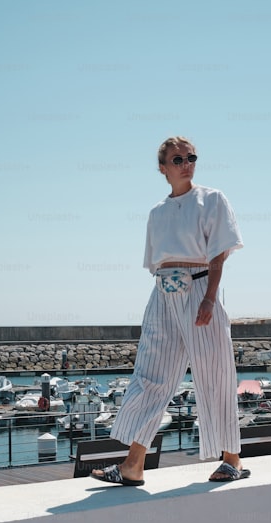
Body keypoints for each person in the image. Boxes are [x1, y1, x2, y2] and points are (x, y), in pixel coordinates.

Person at [91, 136, 245, 486]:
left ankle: (232, 459)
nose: (186, 163)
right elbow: (155, 264)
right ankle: (133, 465)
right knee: (149, 376)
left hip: (199, 288)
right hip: (162, 294)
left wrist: (209, 297)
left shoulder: (212, 199)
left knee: (215, 372)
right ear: (163, 168)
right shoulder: (157, 213)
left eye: (191, 157)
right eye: (178, 159)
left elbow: (218, 253)